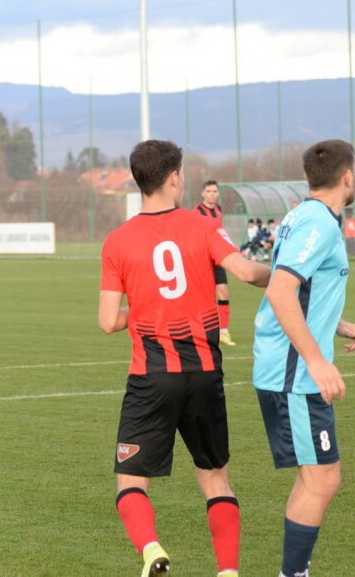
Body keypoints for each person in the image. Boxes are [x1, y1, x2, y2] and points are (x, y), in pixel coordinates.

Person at [99, 139, 270, 577]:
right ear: (174, 177)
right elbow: (247, 272)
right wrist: (290, 277)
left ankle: (152, 549)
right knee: (215, 478)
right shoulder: (203, 226)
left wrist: (147, 305)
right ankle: (228, 571)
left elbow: (107, 321)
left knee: (131, 480)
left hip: (151, 375)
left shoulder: (117, 241)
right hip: (205, 372)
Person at [251, 139, 355, 577]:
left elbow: (301, 288)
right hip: (294, 373)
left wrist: (335, 322)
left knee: (317, 477)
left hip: (288, 368)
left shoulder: (302, 215)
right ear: (348, 177)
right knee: (322, 479)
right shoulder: (318, 224)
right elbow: (282, 290)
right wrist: (317, 360)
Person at [194, 180, 235, 346]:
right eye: (209, 191)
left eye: (215, 191)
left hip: (216, 257)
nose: (212, 194)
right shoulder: (197, 212)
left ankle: (223, 332)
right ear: (203, 193)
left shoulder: (218, 210)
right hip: (203, 259)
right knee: (204, 297)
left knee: (223, 292)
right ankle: (200, 331)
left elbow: (219, 232)